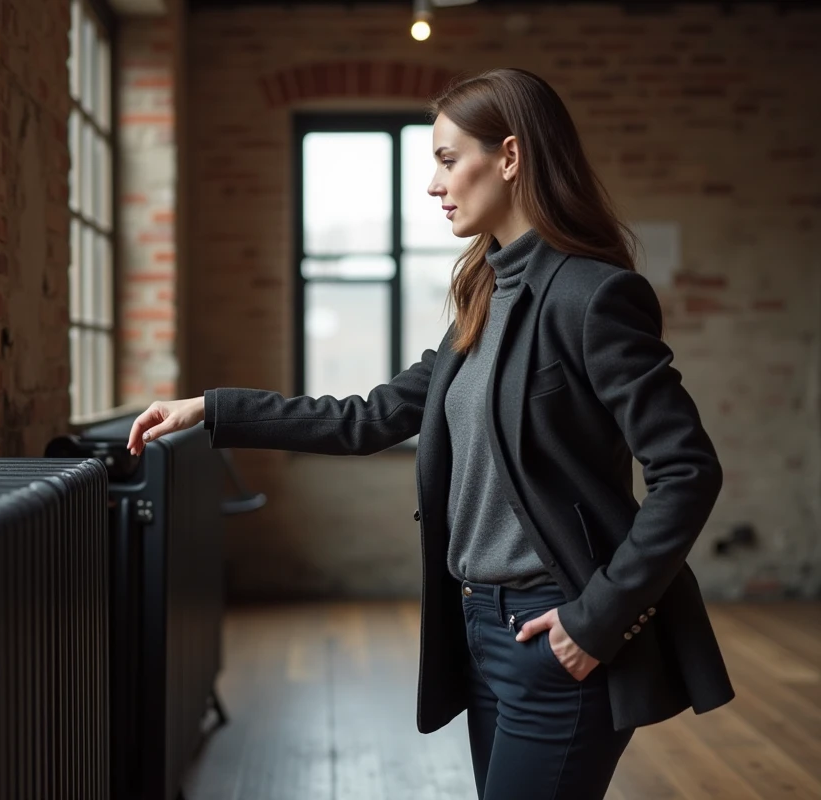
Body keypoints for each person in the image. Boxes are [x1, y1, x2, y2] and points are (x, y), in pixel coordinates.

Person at [125, 67, 733, 800]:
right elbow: (370, 419)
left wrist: (595, 622)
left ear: (509, 157)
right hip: (479, 625)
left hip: (557, 628)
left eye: (448, 160)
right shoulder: (484, 294)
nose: (433, 184)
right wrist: (212, 409)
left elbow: (688, 470)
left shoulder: (593, 296)